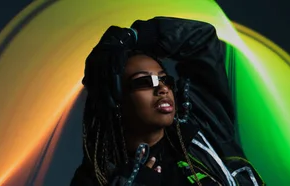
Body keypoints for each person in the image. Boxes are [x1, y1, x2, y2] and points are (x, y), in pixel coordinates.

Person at [69, 16, 265, 186]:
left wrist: (136, 36)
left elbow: (201, 39)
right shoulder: (95, 177)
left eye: (165, 79)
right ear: (117, 99)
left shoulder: (204, 129)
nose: (162, 88)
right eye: (145, 81)